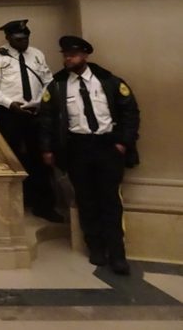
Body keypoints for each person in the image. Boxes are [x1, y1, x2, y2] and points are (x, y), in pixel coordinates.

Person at [39, 35, 140, 275]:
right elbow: (46, 120)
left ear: (85, 55)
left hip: (107, 146)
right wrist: (47, 148)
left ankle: (117, 253)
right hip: (77, 148)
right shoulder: (57, 85)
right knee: (86, 199)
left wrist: (123, 143)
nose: (68, 59)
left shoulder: (109, 81)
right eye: (65, 55)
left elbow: (130, 112)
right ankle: (95, 247)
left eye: (72, 55)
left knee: (110, 200)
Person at [0, 19, 62, 222]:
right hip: (9, 114)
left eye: (26, 38)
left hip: (35, 113)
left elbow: (48, 82)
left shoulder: (36, 55)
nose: (23, 42)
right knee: (10, 160)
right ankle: (10, 207)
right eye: (18, 39)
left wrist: (40, 101)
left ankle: (44, 205)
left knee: (41, 158)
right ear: (8, 38)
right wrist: (10, 104)